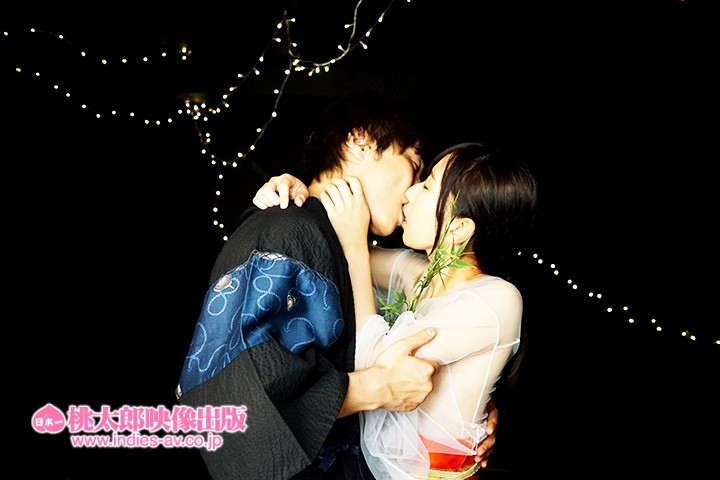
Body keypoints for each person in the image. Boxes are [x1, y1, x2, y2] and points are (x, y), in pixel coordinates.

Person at [175, 91, 498, 480]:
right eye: (414, 165)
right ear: (359, 142)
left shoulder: (350, 249)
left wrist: (465, 409)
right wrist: (373, 387)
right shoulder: (287, 231)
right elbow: (228, 404)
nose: (413, 190)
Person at [254, 141, 538, 479]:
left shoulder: (497, 299)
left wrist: (355, 246)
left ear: (459, 228)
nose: (409, 193)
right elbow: (328, 243)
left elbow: (376, 365)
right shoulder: (416, 273)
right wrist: (299, 195)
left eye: (427, 186)